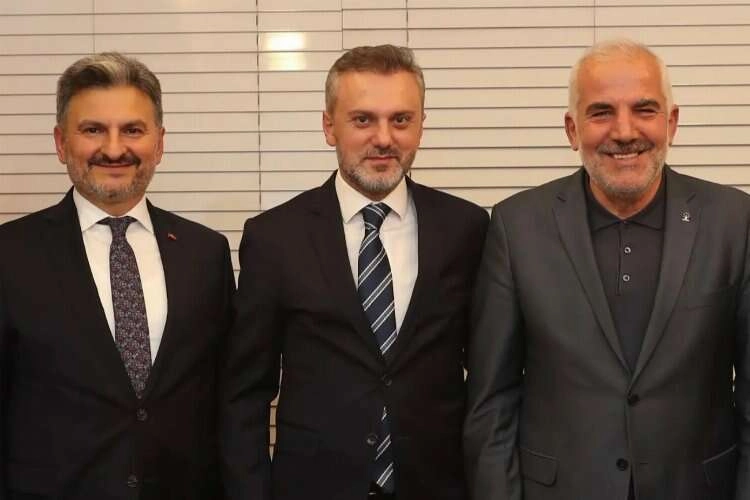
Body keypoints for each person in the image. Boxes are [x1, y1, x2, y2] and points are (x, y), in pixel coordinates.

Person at [463, 38, 749, 500]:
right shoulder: (517, 226)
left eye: (644, 109)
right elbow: (491, 404)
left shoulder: (735, 222)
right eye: (601, 112)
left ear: (672, 122)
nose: (624, 131)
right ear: (572, 129)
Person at [221, 44, 489, 500]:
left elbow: (488, 378)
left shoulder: (466, 229)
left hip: (437, 485)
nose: (383, 138)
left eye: (400, 120)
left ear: (421, 125)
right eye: (363, 120)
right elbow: (245, 392)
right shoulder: (274, 238)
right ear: (330, 126)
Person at [0, 52, 235, 499]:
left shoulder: (206, 253)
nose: (113, 149)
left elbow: (225, 401)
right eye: (93, 130)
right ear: (61, 143)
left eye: (132, 130)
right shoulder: (10, 255)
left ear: (159, 143)